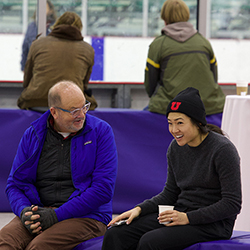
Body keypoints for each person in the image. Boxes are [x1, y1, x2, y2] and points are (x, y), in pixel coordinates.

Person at [102, 87, 242, 250]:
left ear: (198, 122)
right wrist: (139, 209)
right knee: (117, 233)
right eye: (170, 123)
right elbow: (170, 194)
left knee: (151, 241)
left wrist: (187, 218)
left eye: (180, 123)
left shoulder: (222, 149)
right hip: (180, 213)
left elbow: (232, 203)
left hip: (214, 224)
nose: (174, 130)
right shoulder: (176, 148)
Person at [0, 80, 117, 249]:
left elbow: (103, 190)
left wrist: (56, 215)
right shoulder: (33, 134)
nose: (82, 115)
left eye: (84, 107)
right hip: (39, 212)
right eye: (74, 111)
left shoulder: (101, 132)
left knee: (39, 246)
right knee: (4, 242)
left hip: (88, 216)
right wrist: (24, 211)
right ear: (54, 112)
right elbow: (15, 184)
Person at [144, 0, 225, 123]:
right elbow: (214, 77)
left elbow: (150, 83)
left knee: (145, 114)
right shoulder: (203, 42)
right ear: (187, 16)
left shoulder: (159, 44)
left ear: (164, 18)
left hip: (172, 106)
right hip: (210, 106)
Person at [18, 11, 97, 112]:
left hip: (36, 101)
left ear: (56, 24)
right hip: (70, 106)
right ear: (79, 28)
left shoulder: (38, 44)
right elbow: (84, 85)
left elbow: (27, 80)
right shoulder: (88, 49)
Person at [21, 0, 57, 71]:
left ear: (50, 10)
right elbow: (25, 47)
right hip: (34, 65)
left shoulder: (55, 26)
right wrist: (24, 66)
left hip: (51, 66)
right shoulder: (32, 26)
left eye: (45, 8)